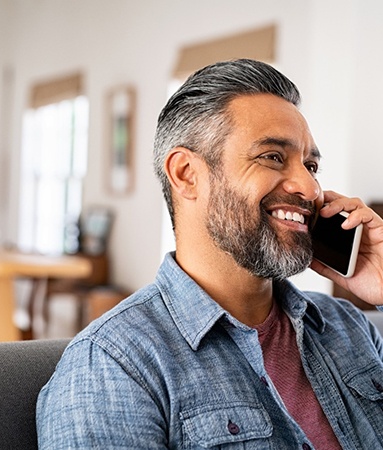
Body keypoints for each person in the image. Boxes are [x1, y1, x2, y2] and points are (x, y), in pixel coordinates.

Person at [36, 59, 383, 449]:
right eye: (272, 156)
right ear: (186, 174)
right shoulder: (112, 365)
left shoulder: (351, 328)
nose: (310, 187)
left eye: (311, 165)